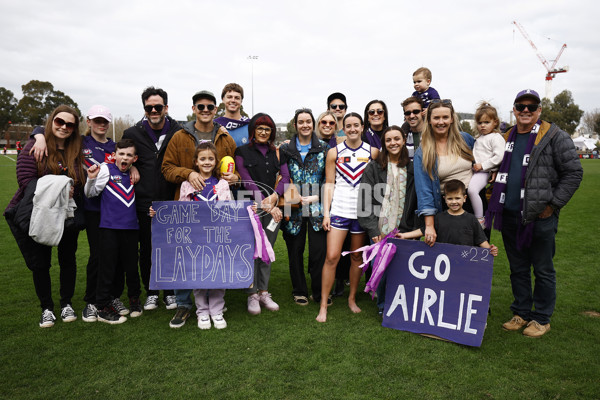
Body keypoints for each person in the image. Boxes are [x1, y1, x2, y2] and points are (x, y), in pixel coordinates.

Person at [487, 89, 582, 337]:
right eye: (521, 106)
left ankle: (541, 318)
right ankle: (521, 312)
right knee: (517, 269)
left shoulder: (553, 136)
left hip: (539, 216)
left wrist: (551, 205)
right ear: (515, 110)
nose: (526, 110)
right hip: (509, 215)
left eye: (532, 106)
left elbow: (573, 173)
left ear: (539, 110)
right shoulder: (505, 136)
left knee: (542, 269)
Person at [161, 89, 238, 327]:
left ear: (216, 110)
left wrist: (233, 177)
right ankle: (185, 306)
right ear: (194, 109)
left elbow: (233, 168)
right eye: (200, 106)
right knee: (187, 259)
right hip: (189, 209)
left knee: (215, 258)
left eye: (210, 107)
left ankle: (215, 305)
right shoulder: (179, 136)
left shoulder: (225, 138)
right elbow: (166, 168)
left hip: (216, 208)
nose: (205, 110)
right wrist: (189, 173)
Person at [5, 105, 85, 327]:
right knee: (41, 263)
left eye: (70, 124)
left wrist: (73, 187)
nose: (64, 127)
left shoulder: (76, 149)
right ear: (51, 122)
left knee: (67, 260)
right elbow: (26, 181)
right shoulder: (35, 146)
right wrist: (38, 134)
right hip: (38, 214)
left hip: (67, 215)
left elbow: (79, 182)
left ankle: (66, 302)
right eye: (60, 122)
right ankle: (47, 308)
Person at [154, 142, 231, 329]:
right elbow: (180, 211)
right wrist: (156, 213)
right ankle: (202, 311)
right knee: (198, 275)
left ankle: (217, 310)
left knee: (217, 273)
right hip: (195, 239)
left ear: (216, 162)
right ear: (195, 162)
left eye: (210, 159)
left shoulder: (222, 184)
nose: (207, 162)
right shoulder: (187, 185)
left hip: (216, 238)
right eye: (202, 159)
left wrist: (248, 211)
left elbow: (230, 210)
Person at [316, 112, 379, 323]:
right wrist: (326, 212)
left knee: (356, 258)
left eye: (356, 125)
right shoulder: (334, 152)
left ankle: (352, 299)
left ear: (362, 127)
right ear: (344, 128)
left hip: (362, 213)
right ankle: (324, 305)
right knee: (332, 256)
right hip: (340, 211)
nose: (352, 129)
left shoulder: (373, 152)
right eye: (348, 126)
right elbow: (329, 184)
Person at [122, 87, 180, 311]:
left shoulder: (179, 131)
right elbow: (121, 157)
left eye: (158, 106)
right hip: (144, 202)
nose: (154, 110)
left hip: (172, 200)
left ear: (166, 107)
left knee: (172, 248)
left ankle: (171, 292)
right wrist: (133, 165)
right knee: (147, 249)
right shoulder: (132, 133)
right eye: (149, 107)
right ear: (144, 109)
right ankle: (152, 291)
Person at [357, 126, 418, 314]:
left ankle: (403, 304)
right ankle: (383, 305)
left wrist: (414, 230)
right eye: (389, 140)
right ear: (383, 143)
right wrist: (373, 230)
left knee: (404, 269)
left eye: (397, 139)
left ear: (403, 140)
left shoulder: (413, 167)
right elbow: (365, 201)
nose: (393, 143)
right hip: (380, 229)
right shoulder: (374, 167)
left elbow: (417, 198)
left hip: (405, 228)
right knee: (381, 268)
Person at [84, 139, 141, 324]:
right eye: (121, 154)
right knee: (107, 268)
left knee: (132, 267)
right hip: (108, 228)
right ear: (114, 155)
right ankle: (102, 306)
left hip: (131, 228)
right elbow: (90, 193)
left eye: (129, 155)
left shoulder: (135, 175)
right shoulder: (107, 170)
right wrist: (91, 179)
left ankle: (134, 300)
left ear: (135, 158)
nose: (124, 158)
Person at [235, 113, 287, 314]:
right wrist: (266, 204)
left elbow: (286, 177)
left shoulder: (278, 153)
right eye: (260, 128)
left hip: (271, 208)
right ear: (253, 131)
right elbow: (247, 181)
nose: (264, 132)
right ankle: (252, 294)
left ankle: (264, 291)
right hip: (249, 209)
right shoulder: (241, 152)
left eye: (267, 129)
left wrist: (274, 197)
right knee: (250, 251)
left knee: (267, 251)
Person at [279, 109, 329, 306]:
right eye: (301, 122)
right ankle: (299, 290)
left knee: (318, 251)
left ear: (313, 124)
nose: (305, 125)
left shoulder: (324, 148)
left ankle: (318, 292)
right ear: (295, 125)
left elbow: (329, 177)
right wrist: (292, 194)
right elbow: (281, 175)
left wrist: (318, 196)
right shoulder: (285, 149)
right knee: (295, 250)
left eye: (308, 121)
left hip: (317, 206)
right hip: (293, 206)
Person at [413, 99, 475, 247]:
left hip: (473, 205)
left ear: (452, 119)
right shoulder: (423, 152)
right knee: (452, 257)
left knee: (477, 259)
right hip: (448, 208)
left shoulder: (466, 139)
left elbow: (483, 160)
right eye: (436, 118)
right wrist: (429, 225)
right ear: (429, 120)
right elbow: (424, 191)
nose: (441, 122)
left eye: (445, 117)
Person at [399, 179, 499, 256]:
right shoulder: (439, 218)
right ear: (445, 199)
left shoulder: (471, 219)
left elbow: (480, 239)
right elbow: (423, 230)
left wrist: (490, 249)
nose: (454, 202)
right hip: (442, 260)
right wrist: (404, 235)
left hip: (463, 263)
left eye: (457, 198)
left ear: (464, 199)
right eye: (450, 198)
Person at [468, 102, 505, 227]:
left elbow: (499, 156)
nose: (482, 125)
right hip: (476, 171)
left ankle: (480, 218)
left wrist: (483, 166)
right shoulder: (479, 138)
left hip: (484, 172)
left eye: (486, 122)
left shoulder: (496, 137)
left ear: (495, 122)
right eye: (480, 123)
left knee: (472, 190)